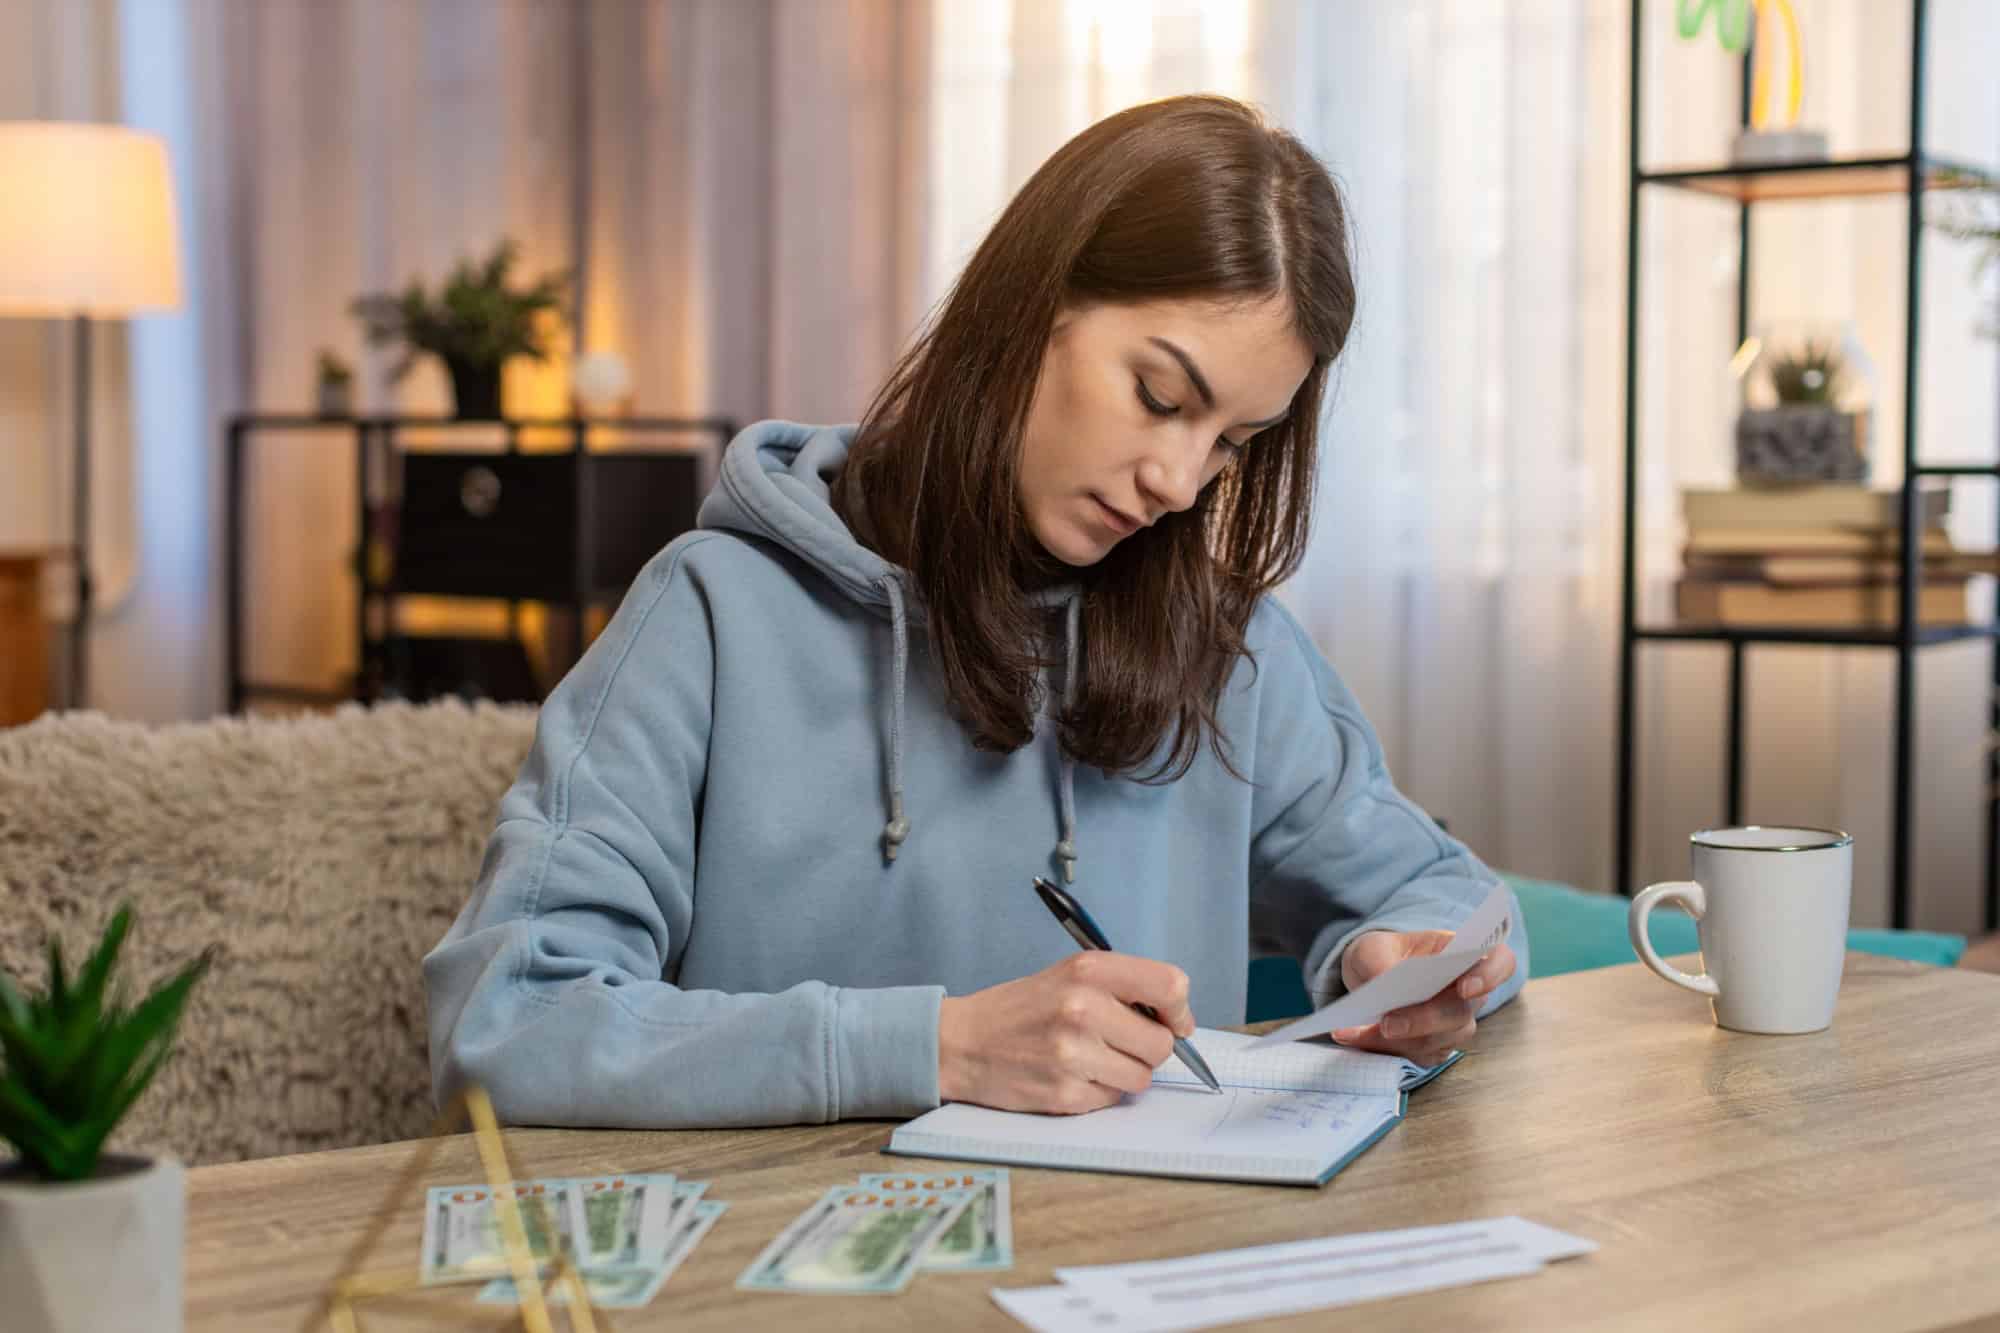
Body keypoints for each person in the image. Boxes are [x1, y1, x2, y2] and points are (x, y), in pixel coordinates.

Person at [425, 93, 1527, 1129]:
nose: (1178, 482)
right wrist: (937, 1048)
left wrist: (1406, 960)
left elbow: (1451, 897)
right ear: (1027, 306)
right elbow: (506, 1021)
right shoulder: (710, 614)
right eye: (1157, 396)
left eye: (1230, 444)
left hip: (1142, 1274)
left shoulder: (1224, 649)